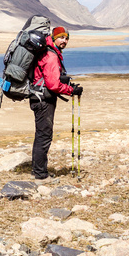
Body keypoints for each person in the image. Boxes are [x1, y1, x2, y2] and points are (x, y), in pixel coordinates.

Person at [29, 25, 83, 180]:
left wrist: (67, 85)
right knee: (44, 136)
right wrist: (71, 91)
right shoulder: (51, 55)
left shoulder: (48, 52)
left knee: (41, 135)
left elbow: (50, 79)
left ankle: (38, 170)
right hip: (44, 101)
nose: (64, 41)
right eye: (61, 37)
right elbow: (53, 84)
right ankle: (40, 175)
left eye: (66, 38)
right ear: (53, 38)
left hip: (40, 98)